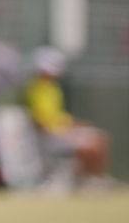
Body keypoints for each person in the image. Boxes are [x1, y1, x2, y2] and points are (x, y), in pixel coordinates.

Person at [26, 46, 110, 184]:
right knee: (89, 146)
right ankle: (86, 180)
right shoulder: (35, 89)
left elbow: (56, 115)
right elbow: (41, 122)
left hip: (60, 132)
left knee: (100, 139)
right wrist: (65, 130)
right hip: (49, 137)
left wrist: (73, 124)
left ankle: (95, 179)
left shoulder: (53, 88)